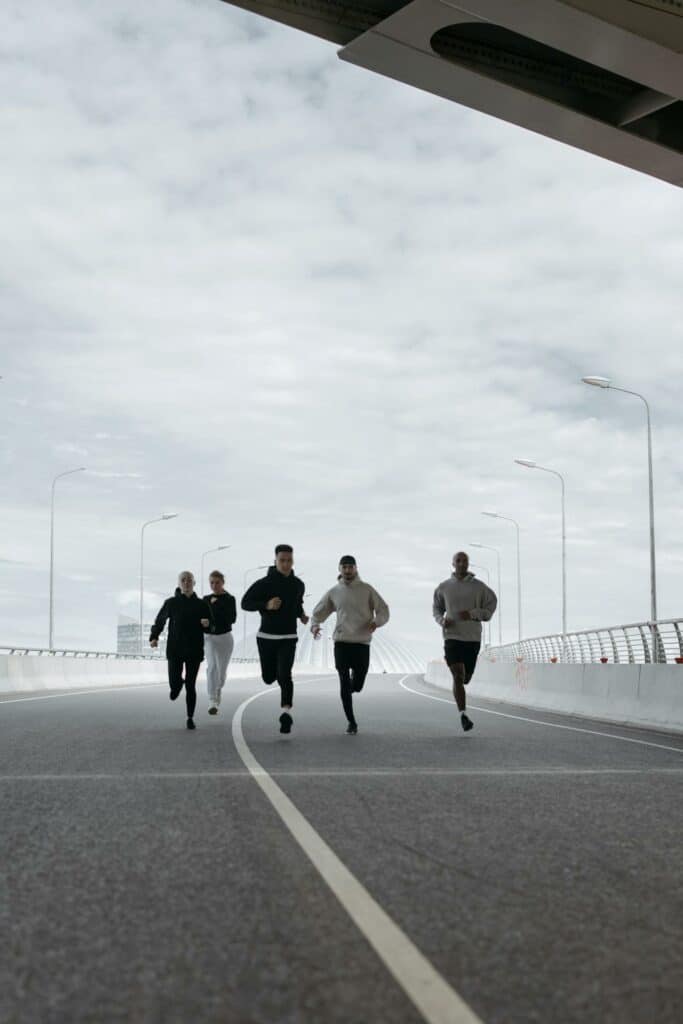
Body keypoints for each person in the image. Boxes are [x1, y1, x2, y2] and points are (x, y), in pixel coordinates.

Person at [311, 555, 389, 734]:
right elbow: (318, 612)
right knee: (344, 682)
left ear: (356, 568)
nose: (347, 570)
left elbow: (383, 610)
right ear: (339, 569)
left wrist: (376, 622)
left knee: (358, 685)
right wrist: (315, 626)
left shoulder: (367, 589)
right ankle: (351, 722)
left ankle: (354, 685)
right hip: (342, 643)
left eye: (350, 567)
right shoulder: (334, 592)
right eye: (344, 567)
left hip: (361, 643)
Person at [241, 544, 309, 734]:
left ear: (293, 561)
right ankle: (271, 680)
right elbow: (245, 603)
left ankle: (286, 713)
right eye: (282, 560)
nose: (286, 564)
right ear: (275, 561)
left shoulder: (298, 585)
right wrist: (266, 604)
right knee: (269, 678)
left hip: (289, 636)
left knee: (284, 675)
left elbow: (297, 604)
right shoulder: (264, 583)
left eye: (289, 560)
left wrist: (302, 615)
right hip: (266, 637)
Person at [432, 551, 497, 732]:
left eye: (464, 561)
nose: (461, 564)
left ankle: (464, 690)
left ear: (468, 564)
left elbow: (491, 606)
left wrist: (474, 614)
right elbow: (436, 609)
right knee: (457, 675)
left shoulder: (479, 587)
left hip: (472, 638)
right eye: (458, 561)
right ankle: (463, 715)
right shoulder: (444, 587)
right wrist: (442, 620)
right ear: (453, 564)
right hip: (452, 637)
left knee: (466, 678)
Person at [150, 571, 212, 730]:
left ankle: (190, 717)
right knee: (174, 683)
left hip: (194, 649)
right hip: (175, 649)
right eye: (183, 580)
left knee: (191, 685)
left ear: (194, 583)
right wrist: (154, 636)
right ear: (179, 584)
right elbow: (160, 620)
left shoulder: (202, 604)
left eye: (189, 580)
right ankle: (177, 686)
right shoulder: (171, 603)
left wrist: (208, 625)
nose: (186, 583)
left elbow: (212, 626)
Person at [203, 570, 237, 715]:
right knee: (211, 667)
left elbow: (232, 619)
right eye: (211, 582)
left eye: (217, 582)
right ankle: (212, 700)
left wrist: (217, 606)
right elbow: (200, 616)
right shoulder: (205, 599)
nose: (214, 585)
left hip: (225, 638)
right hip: (209, 637)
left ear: (223, 583)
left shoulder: (230, 599)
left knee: (221, 671)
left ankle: (218, 690)